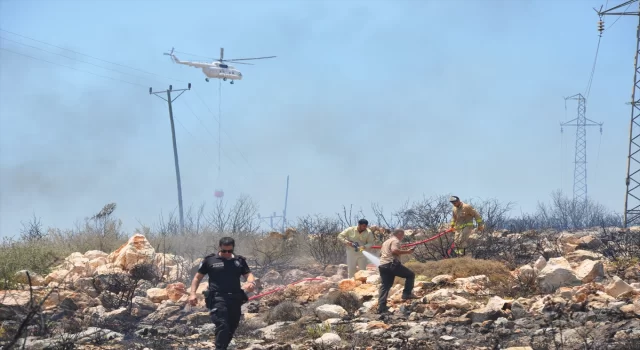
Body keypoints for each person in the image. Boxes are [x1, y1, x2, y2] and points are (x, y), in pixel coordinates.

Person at [188, 237, 256, 350]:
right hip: (217, 298)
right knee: (222, 324)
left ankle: (222, 347)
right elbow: (197, 278)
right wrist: (193, 294)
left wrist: (251, 283)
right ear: (219, 247)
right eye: (224, 251)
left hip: (235, 298)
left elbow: (248, 274)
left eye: (230, 251)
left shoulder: (239, 261)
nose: (227, 253)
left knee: (232, 327)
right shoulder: (210, 260)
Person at [377, 228, 419, 314]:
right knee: (410, 275)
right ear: (399, 234)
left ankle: (381, 307)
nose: (403, 237)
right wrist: (407, 252)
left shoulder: (385, 242)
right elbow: (394, 250)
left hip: (382, 265)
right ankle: (407, 293)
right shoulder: (395, 241)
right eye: (402, 235)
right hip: (392, 264)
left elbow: (380, 254)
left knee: (385, 285)